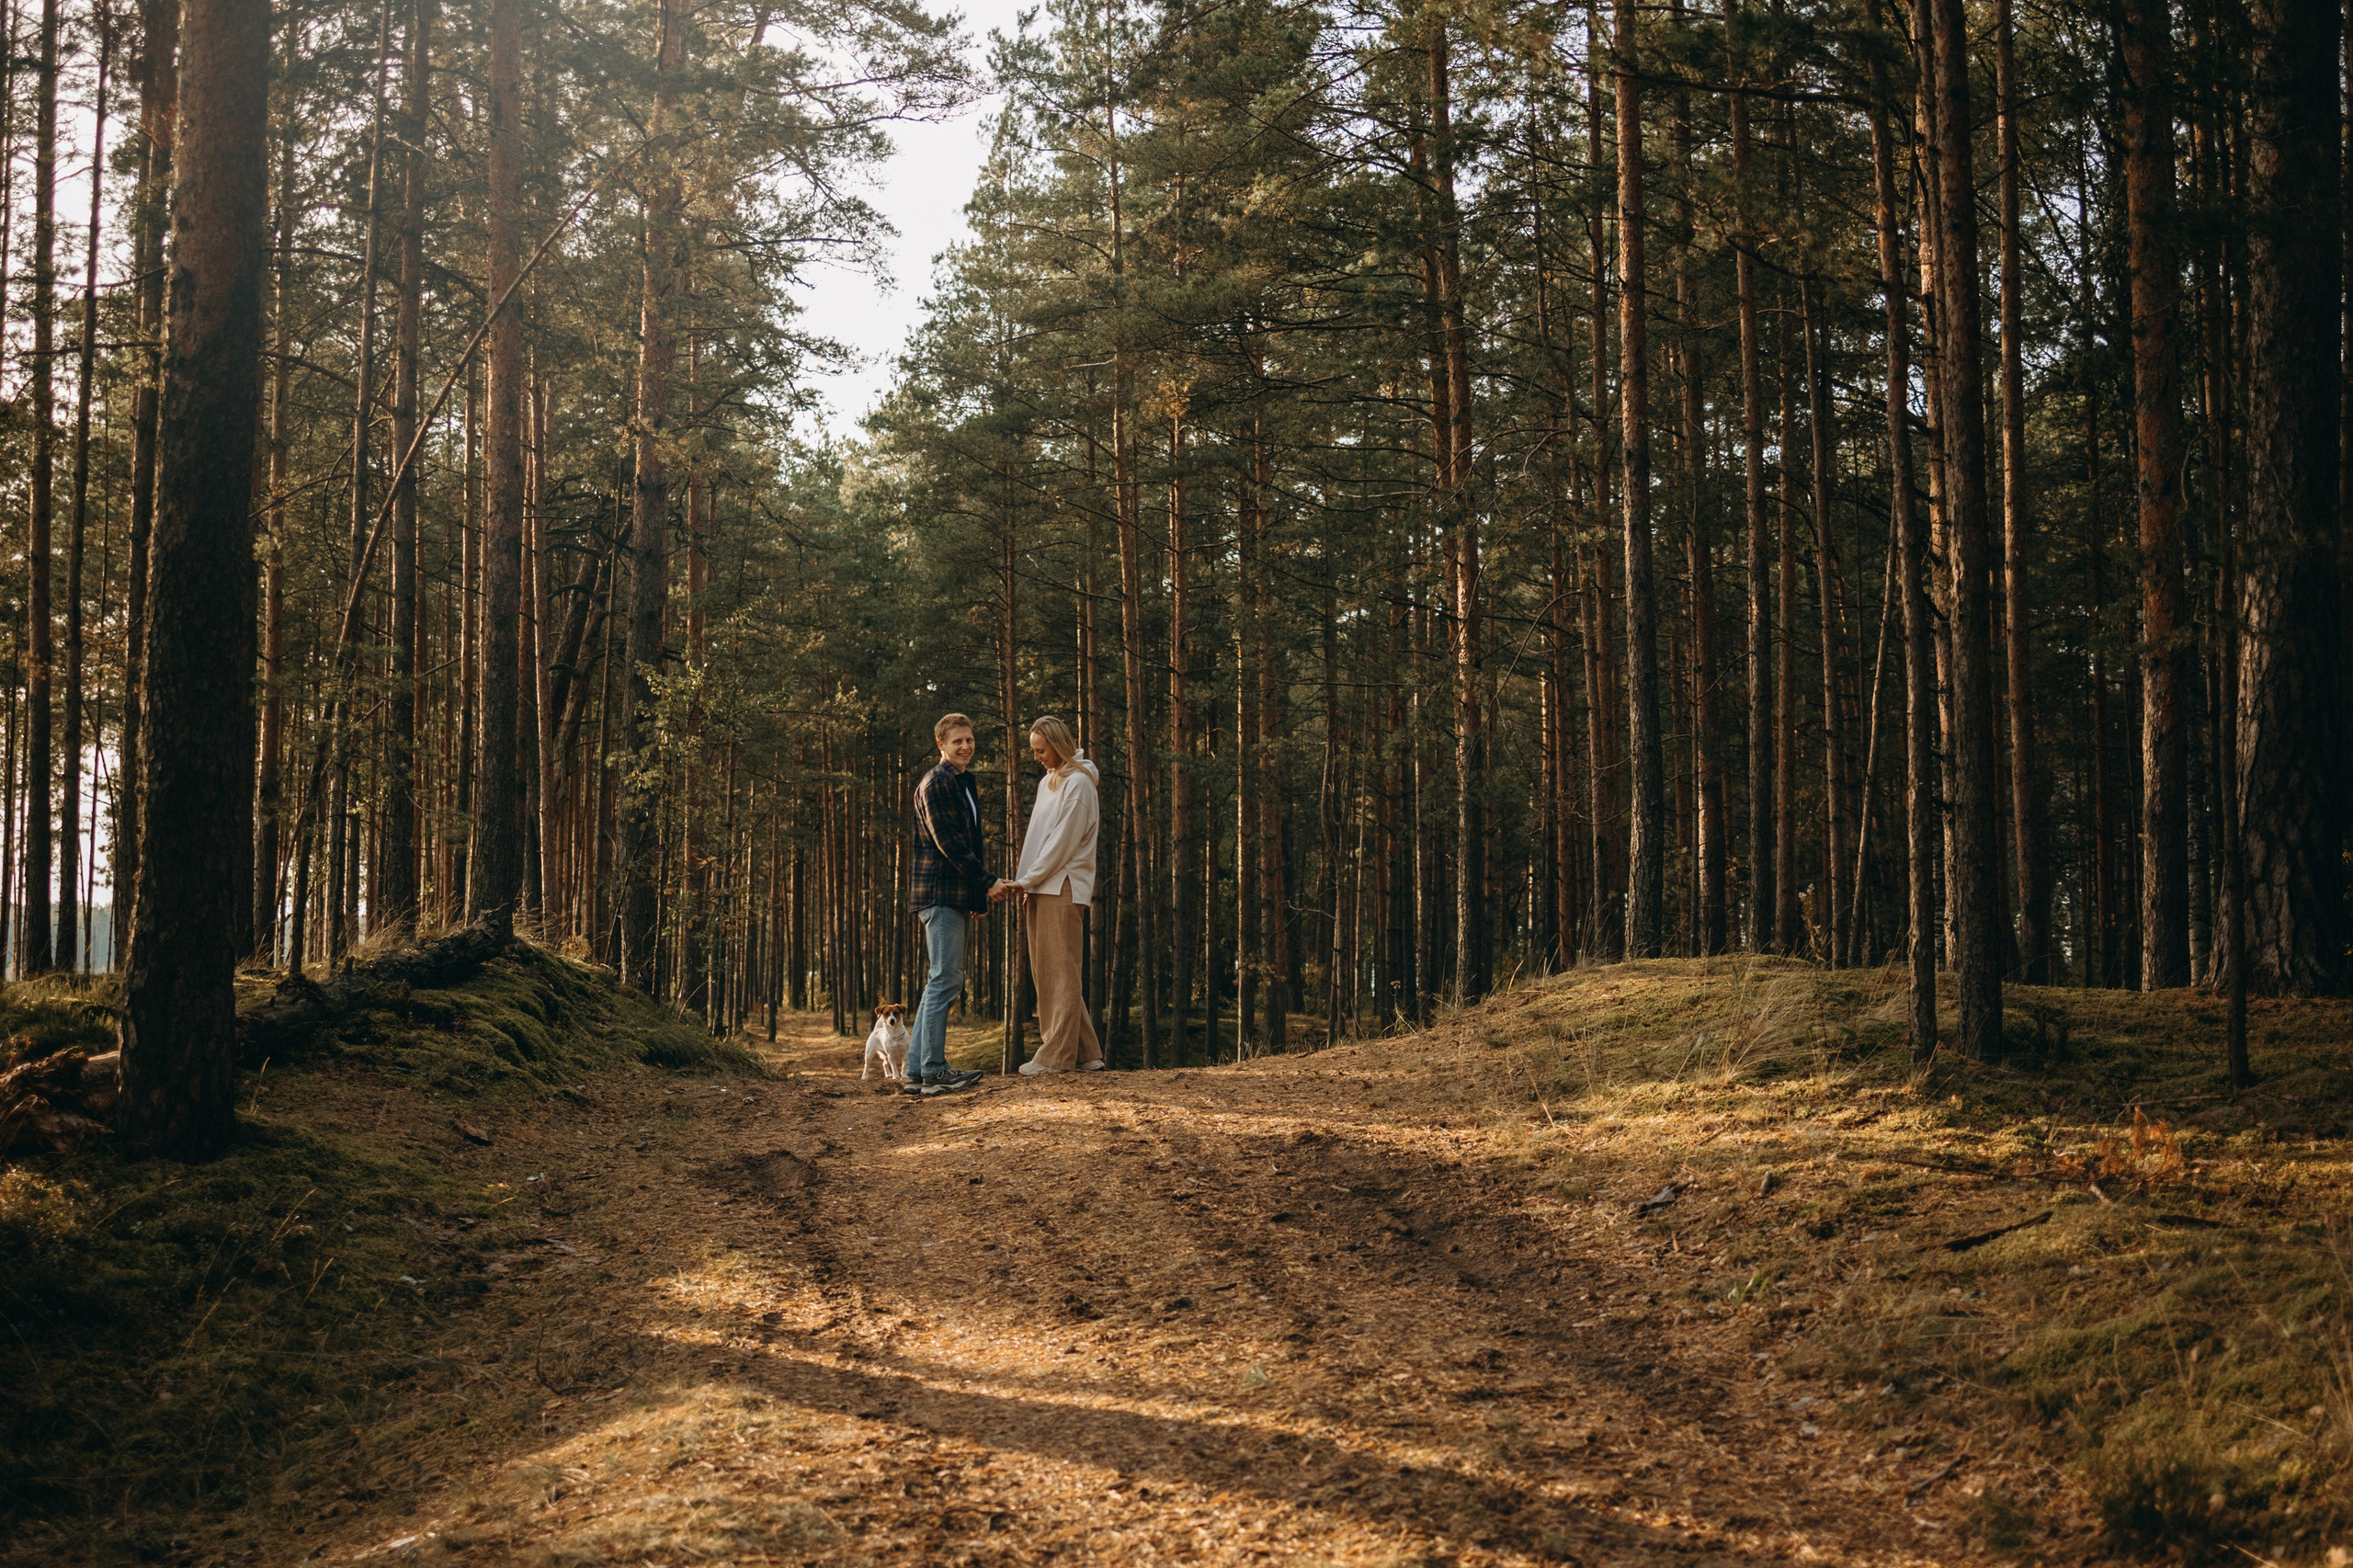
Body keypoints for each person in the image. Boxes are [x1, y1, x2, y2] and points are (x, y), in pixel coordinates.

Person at [906, 712, 1018, 1096]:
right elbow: (949, 843)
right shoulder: (937, 782)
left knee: (940, 980)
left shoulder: (960, 782)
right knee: (944, 980)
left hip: (954, 894)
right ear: (941, 745)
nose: (966, 746)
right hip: (938, 894)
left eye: (970, 740)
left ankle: (917, 1071)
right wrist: (987, 883)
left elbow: (967, 843)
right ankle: (934, 1072)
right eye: (957, 741)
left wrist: (975, 895)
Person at [1013, 716, 1105, 1074]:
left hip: (1062, 884)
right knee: (1052, 970)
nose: (1037, 756)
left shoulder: (1079, 784)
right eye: (1033, 750)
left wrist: (1026, 879)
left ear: (1059, 745)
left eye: (1041, 750)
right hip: (1041, 884)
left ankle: (1056, 1057)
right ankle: (1085, 1052)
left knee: (1060, 972)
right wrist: (1027, 881)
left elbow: (1062, 845)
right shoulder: (1049, 783)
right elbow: (1039, 840)